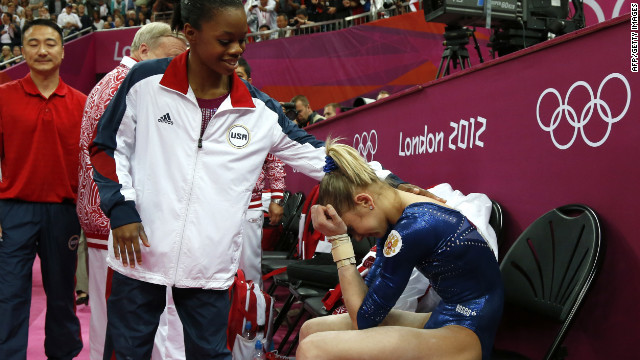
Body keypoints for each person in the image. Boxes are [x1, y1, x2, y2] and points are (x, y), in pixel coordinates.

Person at [89, 0, 420, 358]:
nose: (237, 50)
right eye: (225, 40)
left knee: (212, 354)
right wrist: (122, 209)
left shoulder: (260, 111)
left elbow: (321, 158)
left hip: (209, 265)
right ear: (190, 33)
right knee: (125, 352)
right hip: (139, 251)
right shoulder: (145, 82)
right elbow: (107, 148)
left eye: (242, 40)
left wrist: (395, 185)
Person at [296, 139, 504, 360]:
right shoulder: (396, 222)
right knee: (310, 330)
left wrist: (339, 240)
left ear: (365, 201)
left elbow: (364, 319)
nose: (356, 237)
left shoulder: (413, 228)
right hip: (447, 314)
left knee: (313, 349)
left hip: (468, 329)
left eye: (351, 228)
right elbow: (366, 301)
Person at [76, 22, 187, 360]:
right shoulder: (130, 85)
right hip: (122, 220)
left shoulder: (112, 81)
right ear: (143, 52)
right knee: (139, 323)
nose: (176, 69)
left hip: (107, 215)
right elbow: (117, 155)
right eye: (170, 58)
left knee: (113, 321)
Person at [0, 19, 86, 360]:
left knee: (63, 293)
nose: (42, 50)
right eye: (33, 43)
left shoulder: (82, 103)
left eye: (50, 43)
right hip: (13, 210)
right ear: (21, 51)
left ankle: (63, 354)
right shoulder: (3, 97)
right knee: (9, 293)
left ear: (63, 51)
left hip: (64, 212)